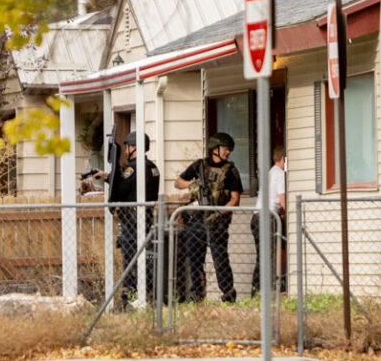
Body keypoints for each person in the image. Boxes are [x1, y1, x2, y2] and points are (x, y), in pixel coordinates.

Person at [174, 132, 243, 303]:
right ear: (215, 148)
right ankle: (197, 295)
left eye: (229, 150)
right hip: (196, 221)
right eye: (226, 149)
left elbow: (235, 200)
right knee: (195, 259)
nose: (228, 152)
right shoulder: (199, 166)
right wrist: (193, 184)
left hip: (217, 223)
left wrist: (218, 213)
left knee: (220, 259)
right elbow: (178, 182)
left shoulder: (231, 171)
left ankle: (228, 295)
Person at [94, 131, 160, 308]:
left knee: (132, 261)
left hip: (133, 222)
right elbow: (129, 185)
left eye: (128, 147)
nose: (125, 151)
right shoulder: (152, 167)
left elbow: (123, 188)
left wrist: (113, 180)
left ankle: (131, 298)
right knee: (142, 259)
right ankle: (144, 295)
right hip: (145, 219)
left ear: (135, 147)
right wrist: (108, 177)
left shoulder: (134, 168)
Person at [251, 146, 286, 297]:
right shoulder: (280, 175)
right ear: (283, 159)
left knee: (262, 254)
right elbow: (282, 199)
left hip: (257, 217)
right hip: (267, 218)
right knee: (268, 255)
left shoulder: (270, 173)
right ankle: (263, 289)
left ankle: (257, 288)